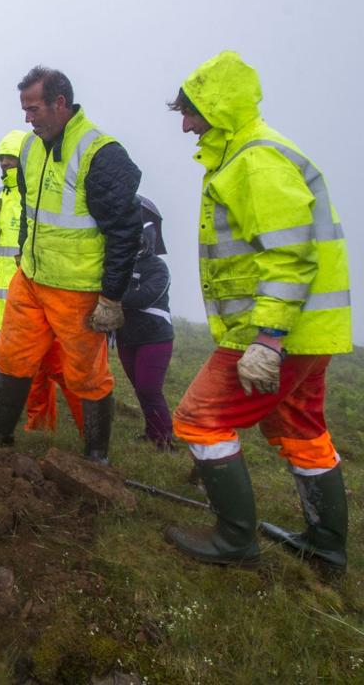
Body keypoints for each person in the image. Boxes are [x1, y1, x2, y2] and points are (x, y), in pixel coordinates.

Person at [163, 51, 351, 570]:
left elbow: (290, 253)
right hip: (309, 331)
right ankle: (326, 544)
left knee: (200, 419)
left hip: (275, 332)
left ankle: (235, 539)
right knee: (300, 427)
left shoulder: (255, 160)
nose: (184, 124)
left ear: (218, 109)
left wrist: (267, 339)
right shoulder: (245, 154)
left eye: (191, 112)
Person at [0, 66, 142, 466]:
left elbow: (127, 230)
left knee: (85, 373)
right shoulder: (29, 147)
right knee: (11, 354)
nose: (27, 118)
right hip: (31, 278)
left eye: (34, 108)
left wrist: (111, 297)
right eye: (24, 109)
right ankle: (0, 432)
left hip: (77, 288)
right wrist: (25, 252)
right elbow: (29, 210)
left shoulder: (101, 152)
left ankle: (96, 456)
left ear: (60, 103)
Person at [0, 129, 83, 434]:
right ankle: (38, 425)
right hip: (6, 300)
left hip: (42, 295)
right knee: (26, 370)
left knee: (63, 369)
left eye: (10, 157)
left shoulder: (38, 194)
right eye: (1, 158)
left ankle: (89, 434)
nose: (5, 164)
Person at [115, 218, 175, 450]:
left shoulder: (158, 267)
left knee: (149, 389)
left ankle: (164, 439)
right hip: (127, 337)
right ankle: (153, 433)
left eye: (140, 239)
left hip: (155, 337)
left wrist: (117, 294)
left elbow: (144, 297)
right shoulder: (119, 263)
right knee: (141, 388)